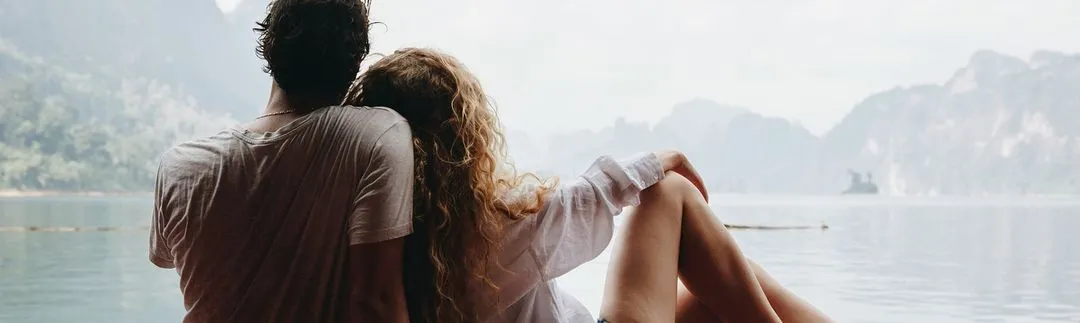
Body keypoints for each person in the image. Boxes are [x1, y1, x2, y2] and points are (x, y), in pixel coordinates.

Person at [347, 47, 832, 323]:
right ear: (466, 139)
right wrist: (668, 156)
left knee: (718, 292)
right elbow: (595, 195)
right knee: (669, 193)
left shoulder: (371, 249)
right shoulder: (489, 228)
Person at [150, 1, 413, 322]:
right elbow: (376, 303)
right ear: (355, 61)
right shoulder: (377, 135)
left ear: (269, 45)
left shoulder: (179, 166)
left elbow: (165, 260)